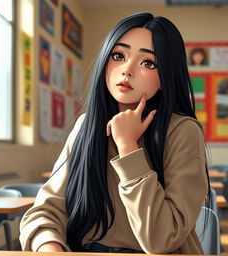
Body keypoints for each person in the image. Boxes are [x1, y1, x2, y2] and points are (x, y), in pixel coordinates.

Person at [20, 12, 209, 254]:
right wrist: (50, 246)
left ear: (166, 76)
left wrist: (128, 147)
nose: (127, 70)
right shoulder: (86, 125)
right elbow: (45, 211)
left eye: (148, 63)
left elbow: (161, 240)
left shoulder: (183, 131)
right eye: (118, 56)